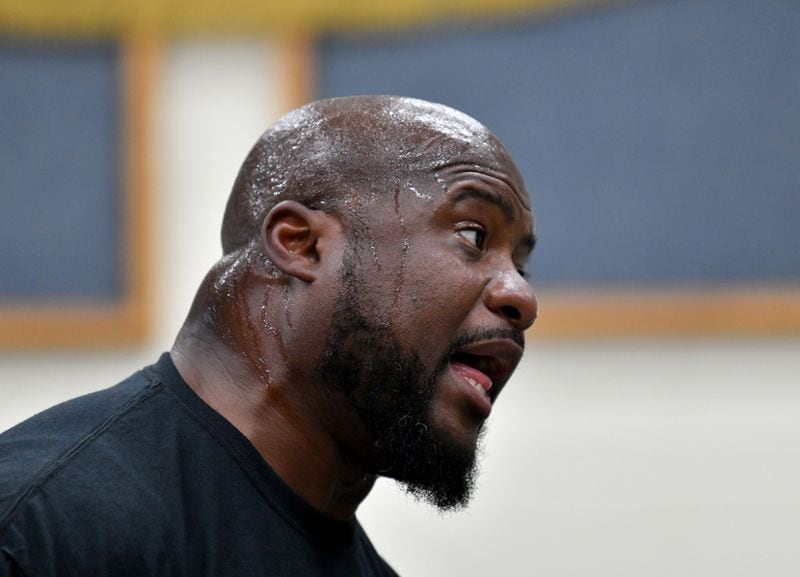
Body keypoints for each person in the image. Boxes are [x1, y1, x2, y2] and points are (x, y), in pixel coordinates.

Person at [0, 95, 537, 576]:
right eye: (474, 234)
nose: (523, 298)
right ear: (301, 245)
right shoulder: (41, 526)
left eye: (522, 264)